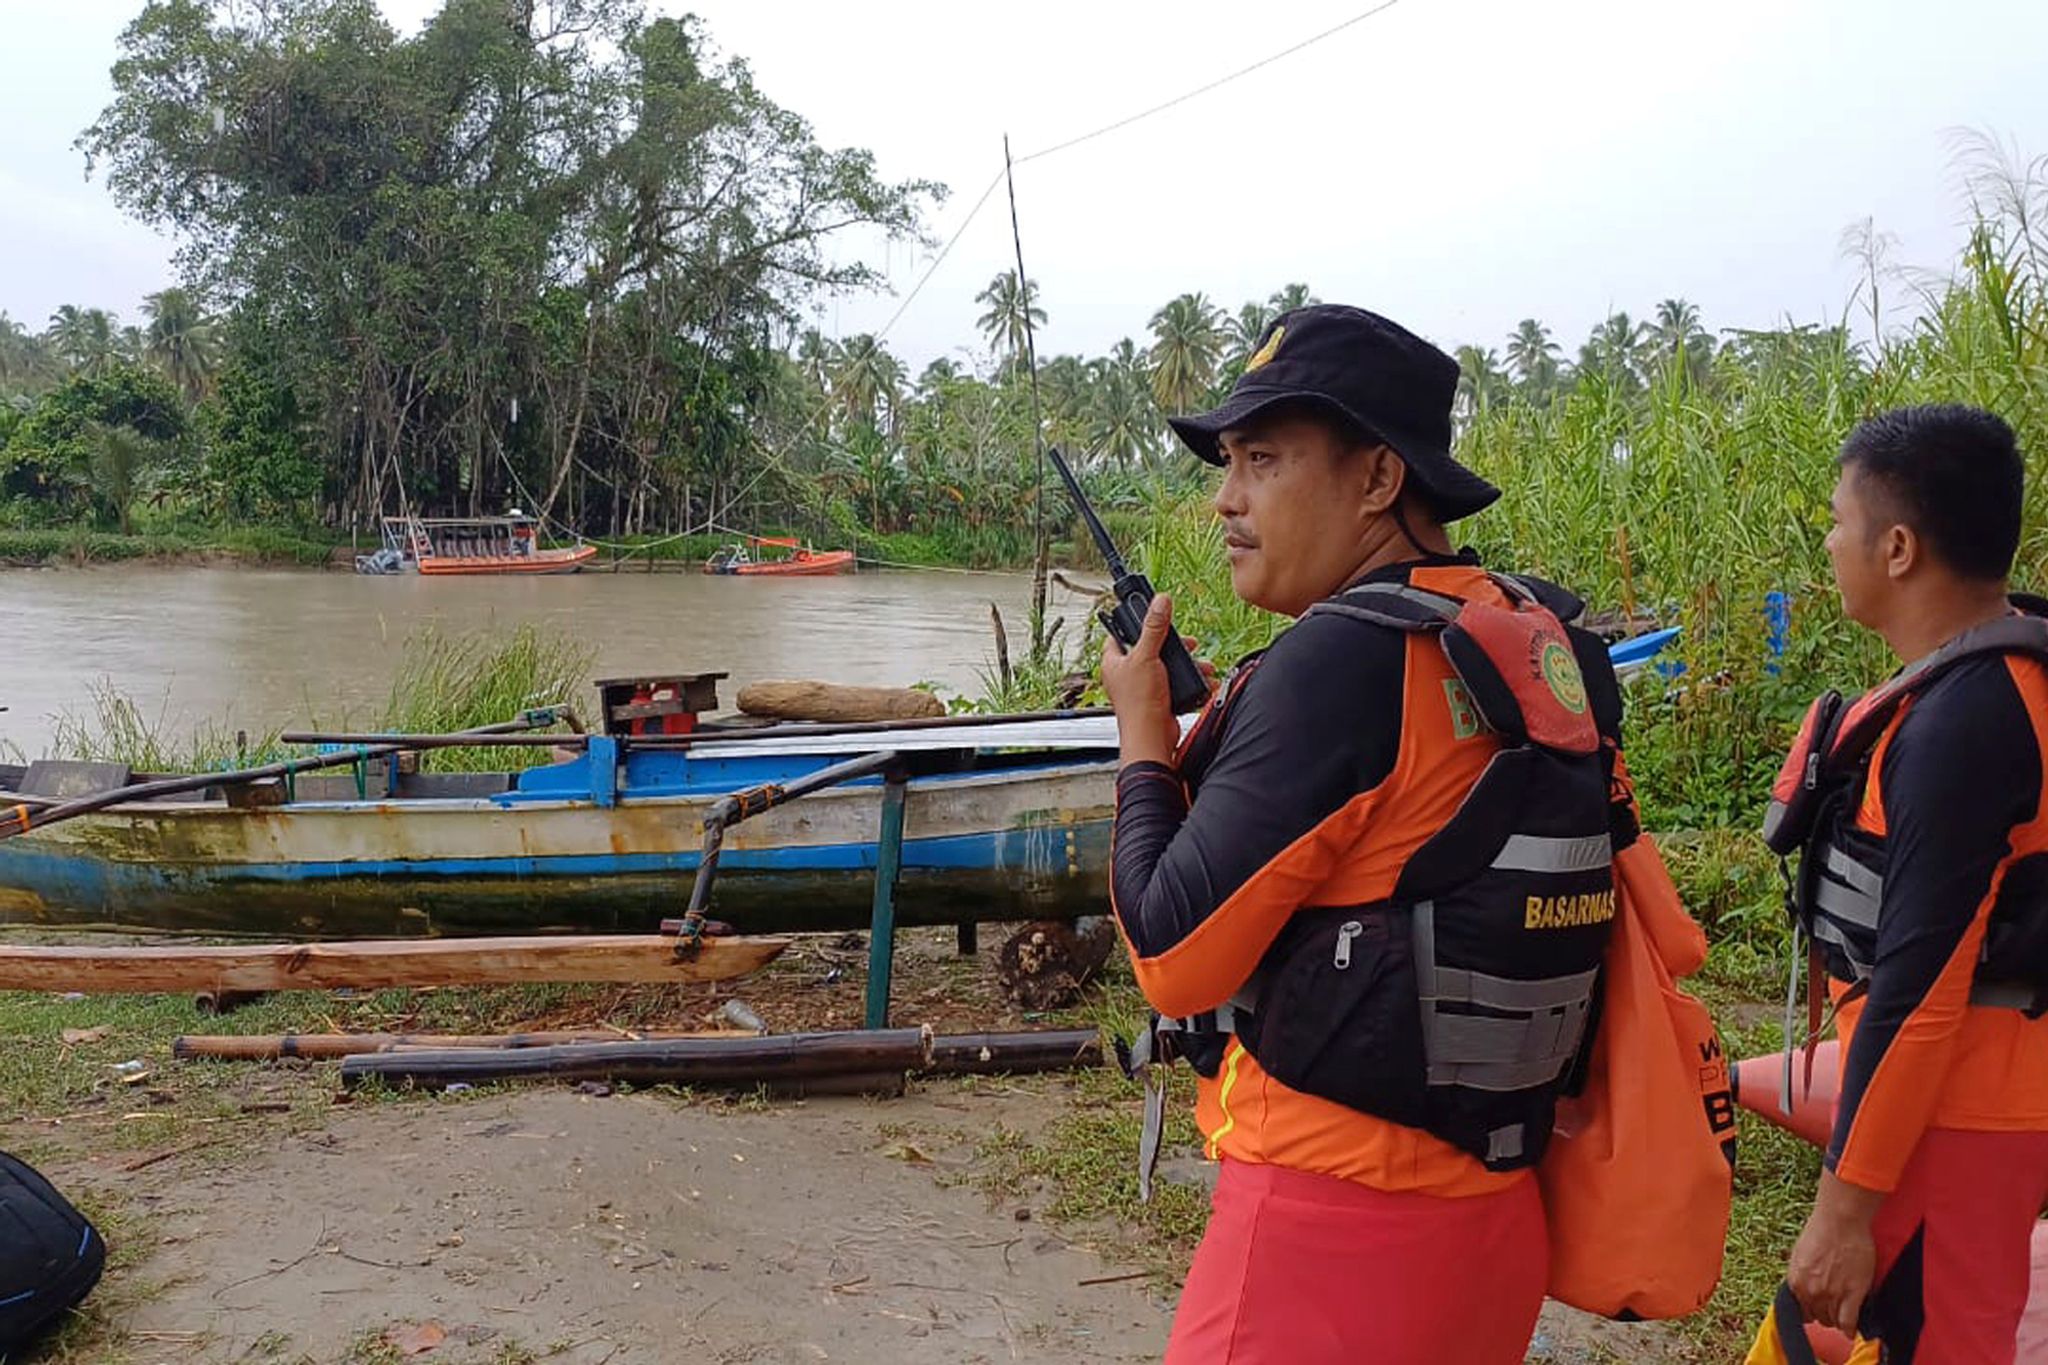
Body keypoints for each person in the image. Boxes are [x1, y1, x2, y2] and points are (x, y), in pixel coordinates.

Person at [1100, 304, 1626, 1363]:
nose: (1225, 498)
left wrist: (1145, 738)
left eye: (1261, 459)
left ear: (1378, 480)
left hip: (1324, 1234)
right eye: (1227, 462)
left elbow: (1170, 956)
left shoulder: (1339, 663)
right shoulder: (1543, 640)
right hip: (1491, 1220)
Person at [1761, 405, 2048, 1364]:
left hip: (1953, 1125)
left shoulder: (1967, 724)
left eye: (1838, 521)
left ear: (1897, 547)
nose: (1829, 542)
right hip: (1959, 1115)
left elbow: (1921, 992)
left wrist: (1844, 1207)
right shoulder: (1999, 677)